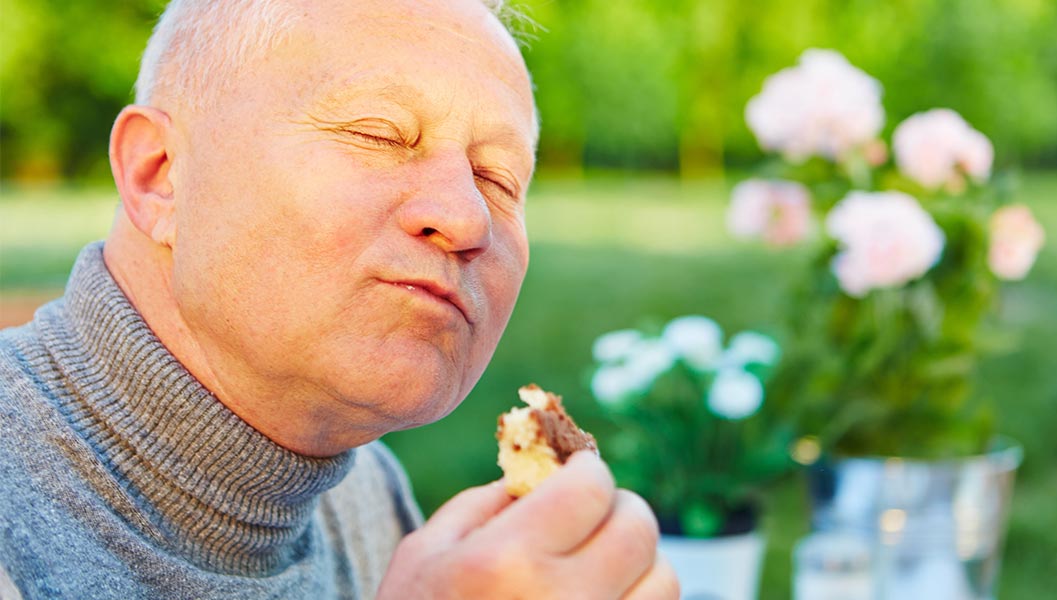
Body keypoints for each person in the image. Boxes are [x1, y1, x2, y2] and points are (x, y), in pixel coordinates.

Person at [0, 0, 679, 598]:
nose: (468, 218)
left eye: (496, 178)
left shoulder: (366, 495)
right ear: (160, 176)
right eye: (379, 133)